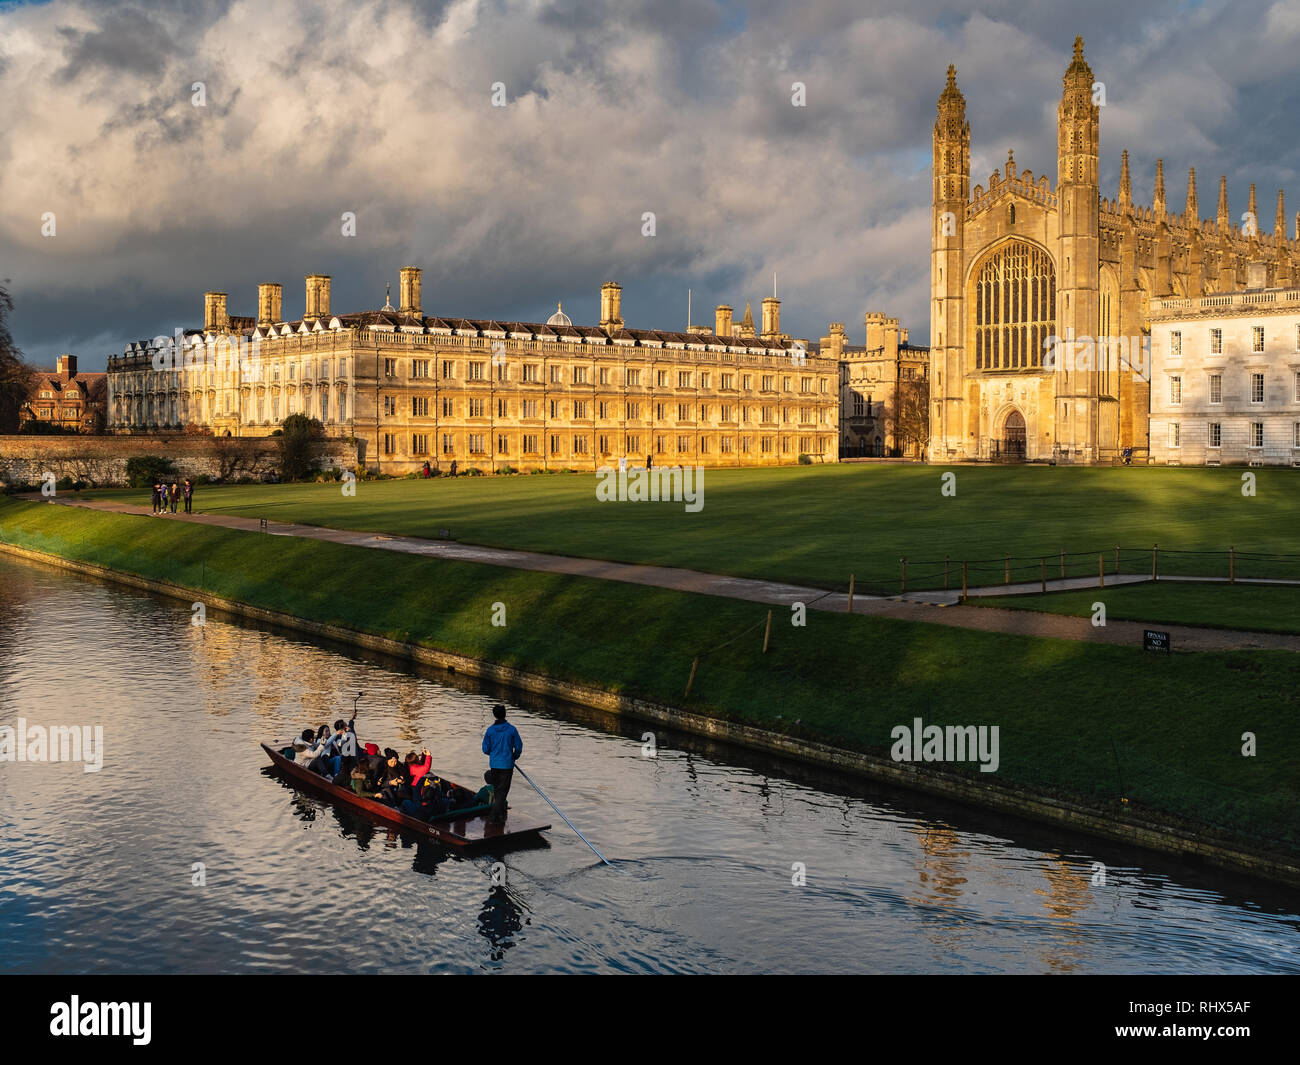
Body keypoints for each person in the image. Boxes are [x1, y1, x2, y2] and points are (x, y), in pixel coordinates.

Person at [481, 704, 523, 824]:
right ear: (505, 714)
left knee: (498, 790)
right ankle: (494, 817)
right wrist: (515, 756)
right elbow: (519, 746)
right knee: (503, 791)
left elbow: (485, 749)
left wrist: (493, 753)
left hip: (494, 764)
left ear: (494, 715)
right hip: (507, 765)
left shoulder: (490, 730)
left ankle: (499, 813)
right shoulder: (512, 730)